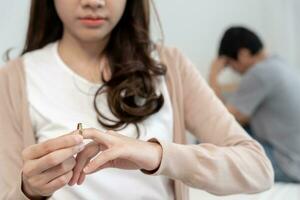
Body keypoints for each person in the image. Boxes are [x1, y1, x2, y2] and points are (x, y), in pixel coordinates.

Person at [0, 1, 273, 200]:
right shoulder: (14, 78)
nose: (93, 2)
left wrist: (156, 155)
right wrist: (29, 191)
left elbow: (257, 169)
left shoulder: (169, 65)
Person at [209, 26, 300, 183]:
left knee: (208, 138)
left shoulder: (258, 73)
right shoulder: (278, 64)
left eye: (230, 64)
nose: (233, 71)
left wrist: (213, 76)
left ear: (243, 54)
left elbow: (223, 119)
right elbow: (237, 103)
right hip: (294, 155)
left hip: (288, 164)